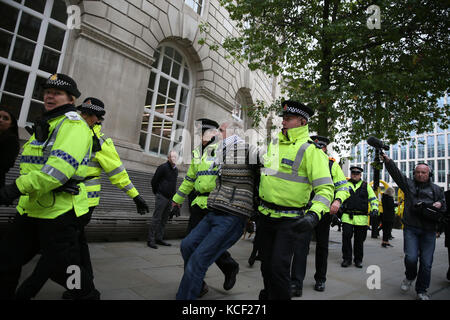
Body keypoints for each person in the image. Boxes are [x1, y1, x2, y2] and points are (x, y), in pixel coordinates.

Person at [0, 73, 96, 299]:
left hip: (58, 213)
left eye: (57, 93)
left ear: (71, 99)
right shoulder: (47, 124)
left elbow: (58, 171)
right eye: (47, 92)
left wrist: (14, 189)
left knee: (62, 270)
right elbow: (31, 166)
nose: (50, 96)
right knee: (6, 261)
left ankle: (87, 293)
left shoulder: (73, 126)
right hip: (31, 208)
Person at [257, 100, 334, 300]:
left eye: (288, 118)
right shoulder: (273, 144)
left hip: (289, 221)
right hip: (265, 216)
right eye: (283, 118)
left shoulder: (311, 150)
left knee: (278, 268)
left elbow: (325, 189)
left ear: (301, 122)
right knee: (265, 266)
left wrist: (314, 215)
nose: (283, 122)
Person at [176, 120, 258, 300]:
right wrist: (177, 200)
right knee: (187, 245)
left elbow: (266, 167)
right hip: (212, 208)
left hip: (232, 213)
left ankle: (191, 291)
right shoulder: (217, 151)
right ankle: (197, 282)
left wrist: (255, 210)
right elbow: (191, 178)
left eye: (221, 130)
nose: (218, 134)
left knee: (199, 259)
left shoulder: (247, 150)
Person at [290, 135, 350, 296]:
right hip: (305, 211)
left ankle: (320, 279)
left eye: (321, 147)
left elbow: (344, 187)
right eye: (316, 146)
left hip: (324, 213)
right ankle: (296, 283)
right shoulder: (303, 160)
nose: (318, 150)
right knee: (300, 246)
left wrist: (337, 201)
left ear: (324, 149)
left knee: (322, 247)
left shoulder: (332, 165)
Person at [381, 155, 447, 300]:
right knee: (411, 258)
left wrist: (440, 205)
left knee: (426, 263)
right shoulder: (408, 184)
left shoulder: (437, 190)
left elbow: (444, 208)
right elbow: (396, 173)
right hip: (411, 228)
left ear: (429, 174)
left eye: (424, 172)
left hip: (429, 231)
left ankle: (422, 290)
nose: (420, 174)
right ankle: (409, 277)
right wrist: (387, 160)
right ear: (414, 173)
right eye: (417, 172)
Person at [340, 166, 379, 268]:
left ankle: (358, 260)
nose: (355, 175)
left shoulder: (366, 186)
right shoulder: (345, 185)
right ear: (351, 174)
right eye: (353, 173)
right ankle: (346, 259)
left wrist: (374, 209)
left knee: (359, 241)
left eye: (357, 174)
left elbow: (374, 199)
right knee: (346, 239)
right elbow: (339, 196)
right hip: (347, 216)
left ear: (360, 175)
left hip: (361, 218)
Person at [148, 150, 178, 248]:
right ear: (168, 158)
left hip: (170, 198)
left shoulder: (176, 170)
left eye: (175, 157)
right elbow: (154, 181)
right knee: (156, 218)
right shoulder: (163, 167)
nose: (174, 159)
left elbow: (173, 184)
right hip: (162, 196)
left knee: (164, 219)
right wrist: (158, 193)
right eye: (172, 157)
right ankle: (150, 240)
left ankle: (159, 238)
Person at [0, 107, 20, 188]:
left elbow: (6, 164)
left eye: (5, 118)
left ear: (11, 124)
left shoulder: (11, 139)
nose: (1, 120)